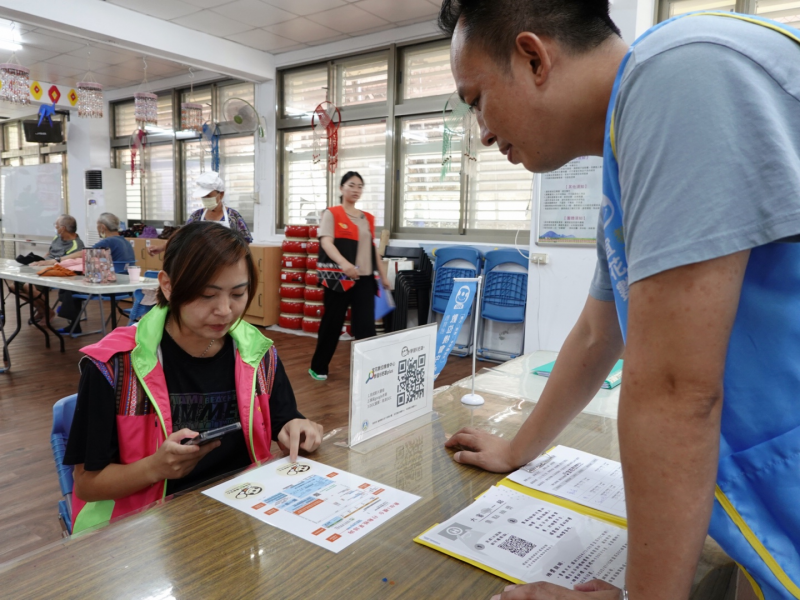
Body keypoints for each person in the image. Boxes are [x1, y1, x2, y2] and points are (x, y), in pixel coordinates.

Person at [438, 2, 800, 599]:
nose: (482, 131)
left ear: (533, 58)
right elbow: (596, 330)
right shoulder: (624, 147)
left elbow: (675, 389)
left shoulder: (679, 74)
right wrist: (516, 449)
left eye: (475, 99)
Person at [63, 222, 323, 534]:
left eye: (238, 293)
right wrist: (154, 468)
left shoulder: (256, 352)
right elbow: (87, 485)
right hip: (145, 533)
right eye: (206, 295)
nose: (225, 311)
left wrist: (298, 426)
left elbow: (285, 420)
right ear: (168, 286)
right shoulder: (115, 366)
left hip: (243, 514)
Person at [308, 171, 390, 381]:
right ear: (341, 188)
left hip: (364, 279)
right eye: (351, 185)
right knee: (332, 324)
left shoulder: (367, 218)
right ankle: (318, 367)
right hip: (339, 278)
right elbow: (326, 242)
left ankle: (369, 371)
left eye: (360, 186)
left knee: (366, 326)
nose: (356, 190)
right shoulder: (332, 213)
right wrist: (344, 264)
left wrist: (382, 275)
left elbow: (372, 249)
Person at [33, 212, 137, 333]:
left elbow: (83, 253)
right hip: (126, 287)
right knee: (74, 283)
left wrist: (56, 260)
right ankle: (68, 316)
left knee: (70, 285)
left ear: (102, 227)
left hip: (111, 286)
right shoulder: (124, 241)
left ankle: (72, 324)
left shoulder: (108, 241)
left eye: (97, 226)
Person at [147, 171, 252, 258]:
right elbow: (181, 236)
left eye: (209, 196)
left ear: (221, 194)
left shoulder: (233, 217)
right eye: (203, 197)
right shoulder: (196, 216)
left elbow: (245, 243)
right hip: (200, 265)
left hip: (226, 264)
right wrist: (161, 248)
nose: (206, 199)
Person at [11, 214, 84, 321]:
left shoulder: (76, 245)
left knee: (28, 286)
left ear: (63, 228)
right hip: (41, 268)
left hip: (54, 272)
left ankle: (47, 312)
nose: (55, 227)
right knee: (14, 286)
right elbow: (50, 252)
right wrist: (40, 260)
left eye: (57, 225)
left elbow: (66, 265)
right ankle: (42, 309)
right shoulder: (57, 237)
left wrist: (48, 264)